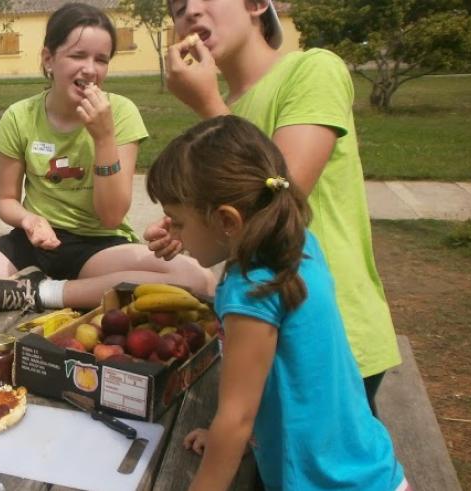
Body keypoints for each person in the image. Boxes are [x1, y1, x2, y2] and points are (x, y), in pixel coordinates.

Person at [154, 0, 399, 412]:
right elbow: (231, 219)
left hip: (329, 332)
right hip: (259, 328)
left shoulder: (312, 70)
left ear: (256, 4)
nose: (191, 11)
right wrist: (185, 226)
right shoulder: (224, 106)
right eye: (178, 7)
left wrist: (206, 107)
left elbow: (279, 197)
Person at [147, 115, 406, 491]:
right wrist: (227, 433)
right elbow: (280, 379)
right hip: (365, 466)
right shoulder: (296, 244)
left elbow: (236, 418)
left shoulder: (251, 291)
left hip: (320, 482)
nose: (175, 233)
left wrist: (229, 436)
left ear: (227, 221)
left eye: (180, 222)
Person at [0, 2, 213, 315]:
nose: (90, 69)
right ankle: (44, 283)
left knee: (197, 279)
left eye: (101, 59)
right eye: (77, 55)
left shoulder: (121, 113)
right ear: (49, 59)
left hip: (97, 246)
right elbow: (6, 200)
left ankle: (43, 292)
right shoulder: (19, 117)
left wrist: (103, 137)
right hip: (32, 242)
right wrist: (28, 220)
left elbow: (111, 216)